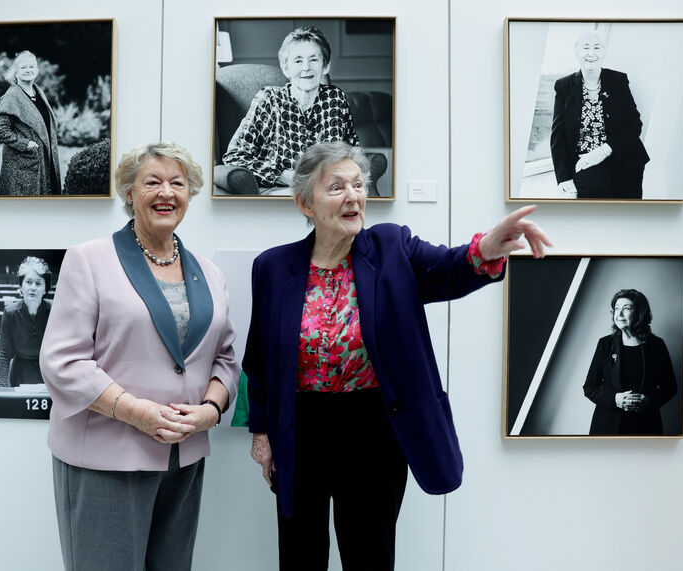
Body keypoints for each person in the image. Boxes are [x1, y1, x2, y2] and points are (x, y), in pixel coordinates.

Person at [244, 141, 552, 570]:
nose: (352, 196)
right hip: (301, 428)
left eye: (357, 184)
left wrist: (486, 247)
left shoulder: (392, 247)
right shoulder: (273, 267)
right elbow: (258, 357)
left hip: (373, 428)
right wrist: (262, 434)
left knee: (369, 554)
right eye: (336, 187)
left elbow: (445, 269)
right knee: (299, 554)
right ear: (304, 203)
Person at [39, 142, 239, 570]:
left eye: (178, 183)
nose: (166, 192)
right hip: (105, 460)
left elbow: (225, 357)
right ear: (129, 193)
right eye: (153, 182)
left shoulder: (210, 272)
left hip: (182, 459)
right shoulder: (88, 260)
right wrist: (135, 412)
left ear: (190, 194)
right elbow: (63, 362)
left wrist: (210, 410)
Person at [222, 26, 359, 189]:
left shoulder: (336, 99)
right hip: (282, 189)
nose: (306, 67)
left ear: (325, 66)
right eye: (298, 60)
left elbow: (352, 152)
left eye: (314, 59)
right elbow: (234, 156)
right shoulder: (270, 99)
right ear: (286, 68)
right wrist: (281, 175)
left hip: (328, 190)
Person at [550, 30, 649, 199]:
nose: (591, 53)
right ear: (577, 52)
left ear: (603, 53)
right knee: (594, 196)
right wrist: (563, 178)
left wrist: (604, 150)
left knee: (628, 211)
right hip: (585, 161)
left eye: (597, 48)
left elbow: (634, 126)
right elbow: (558, 135)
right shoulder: (563, 86)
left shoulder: (618, 80)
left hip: (622, 157)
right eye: (585, 47)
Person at [583, 289, 677, 435]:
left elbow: (670, 388)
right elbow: (589, 387)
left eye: (626, 308)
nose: (619, 314)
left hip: (646, 425)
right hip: (607, 425)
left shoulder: (656, 345)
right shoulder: (605, 344)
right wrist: (615, 399)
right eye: (616, 309)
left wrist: (648, 401)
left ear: (639, 313)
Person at [0, 50, 62, 196]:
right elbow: (0, 131)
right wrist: (26, 144)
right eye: (23, 67)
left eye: (31, 67)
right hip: (22, 165)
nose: (28, 70)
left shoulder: (38, 93)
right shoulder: (11, 96)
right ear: (15, 72)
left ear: (36, 70)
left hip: (45, 161)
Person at [0, 256, 53, 387]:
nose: (33, 287)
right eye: (28, 282)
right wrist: (2, 390)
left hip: (49, 374)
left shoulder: (55, 311)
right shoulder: (10, 313)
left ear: (45, 288)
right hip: (20, 375)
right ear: (21, 287)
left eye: (38, 283)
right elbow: (4, 355)